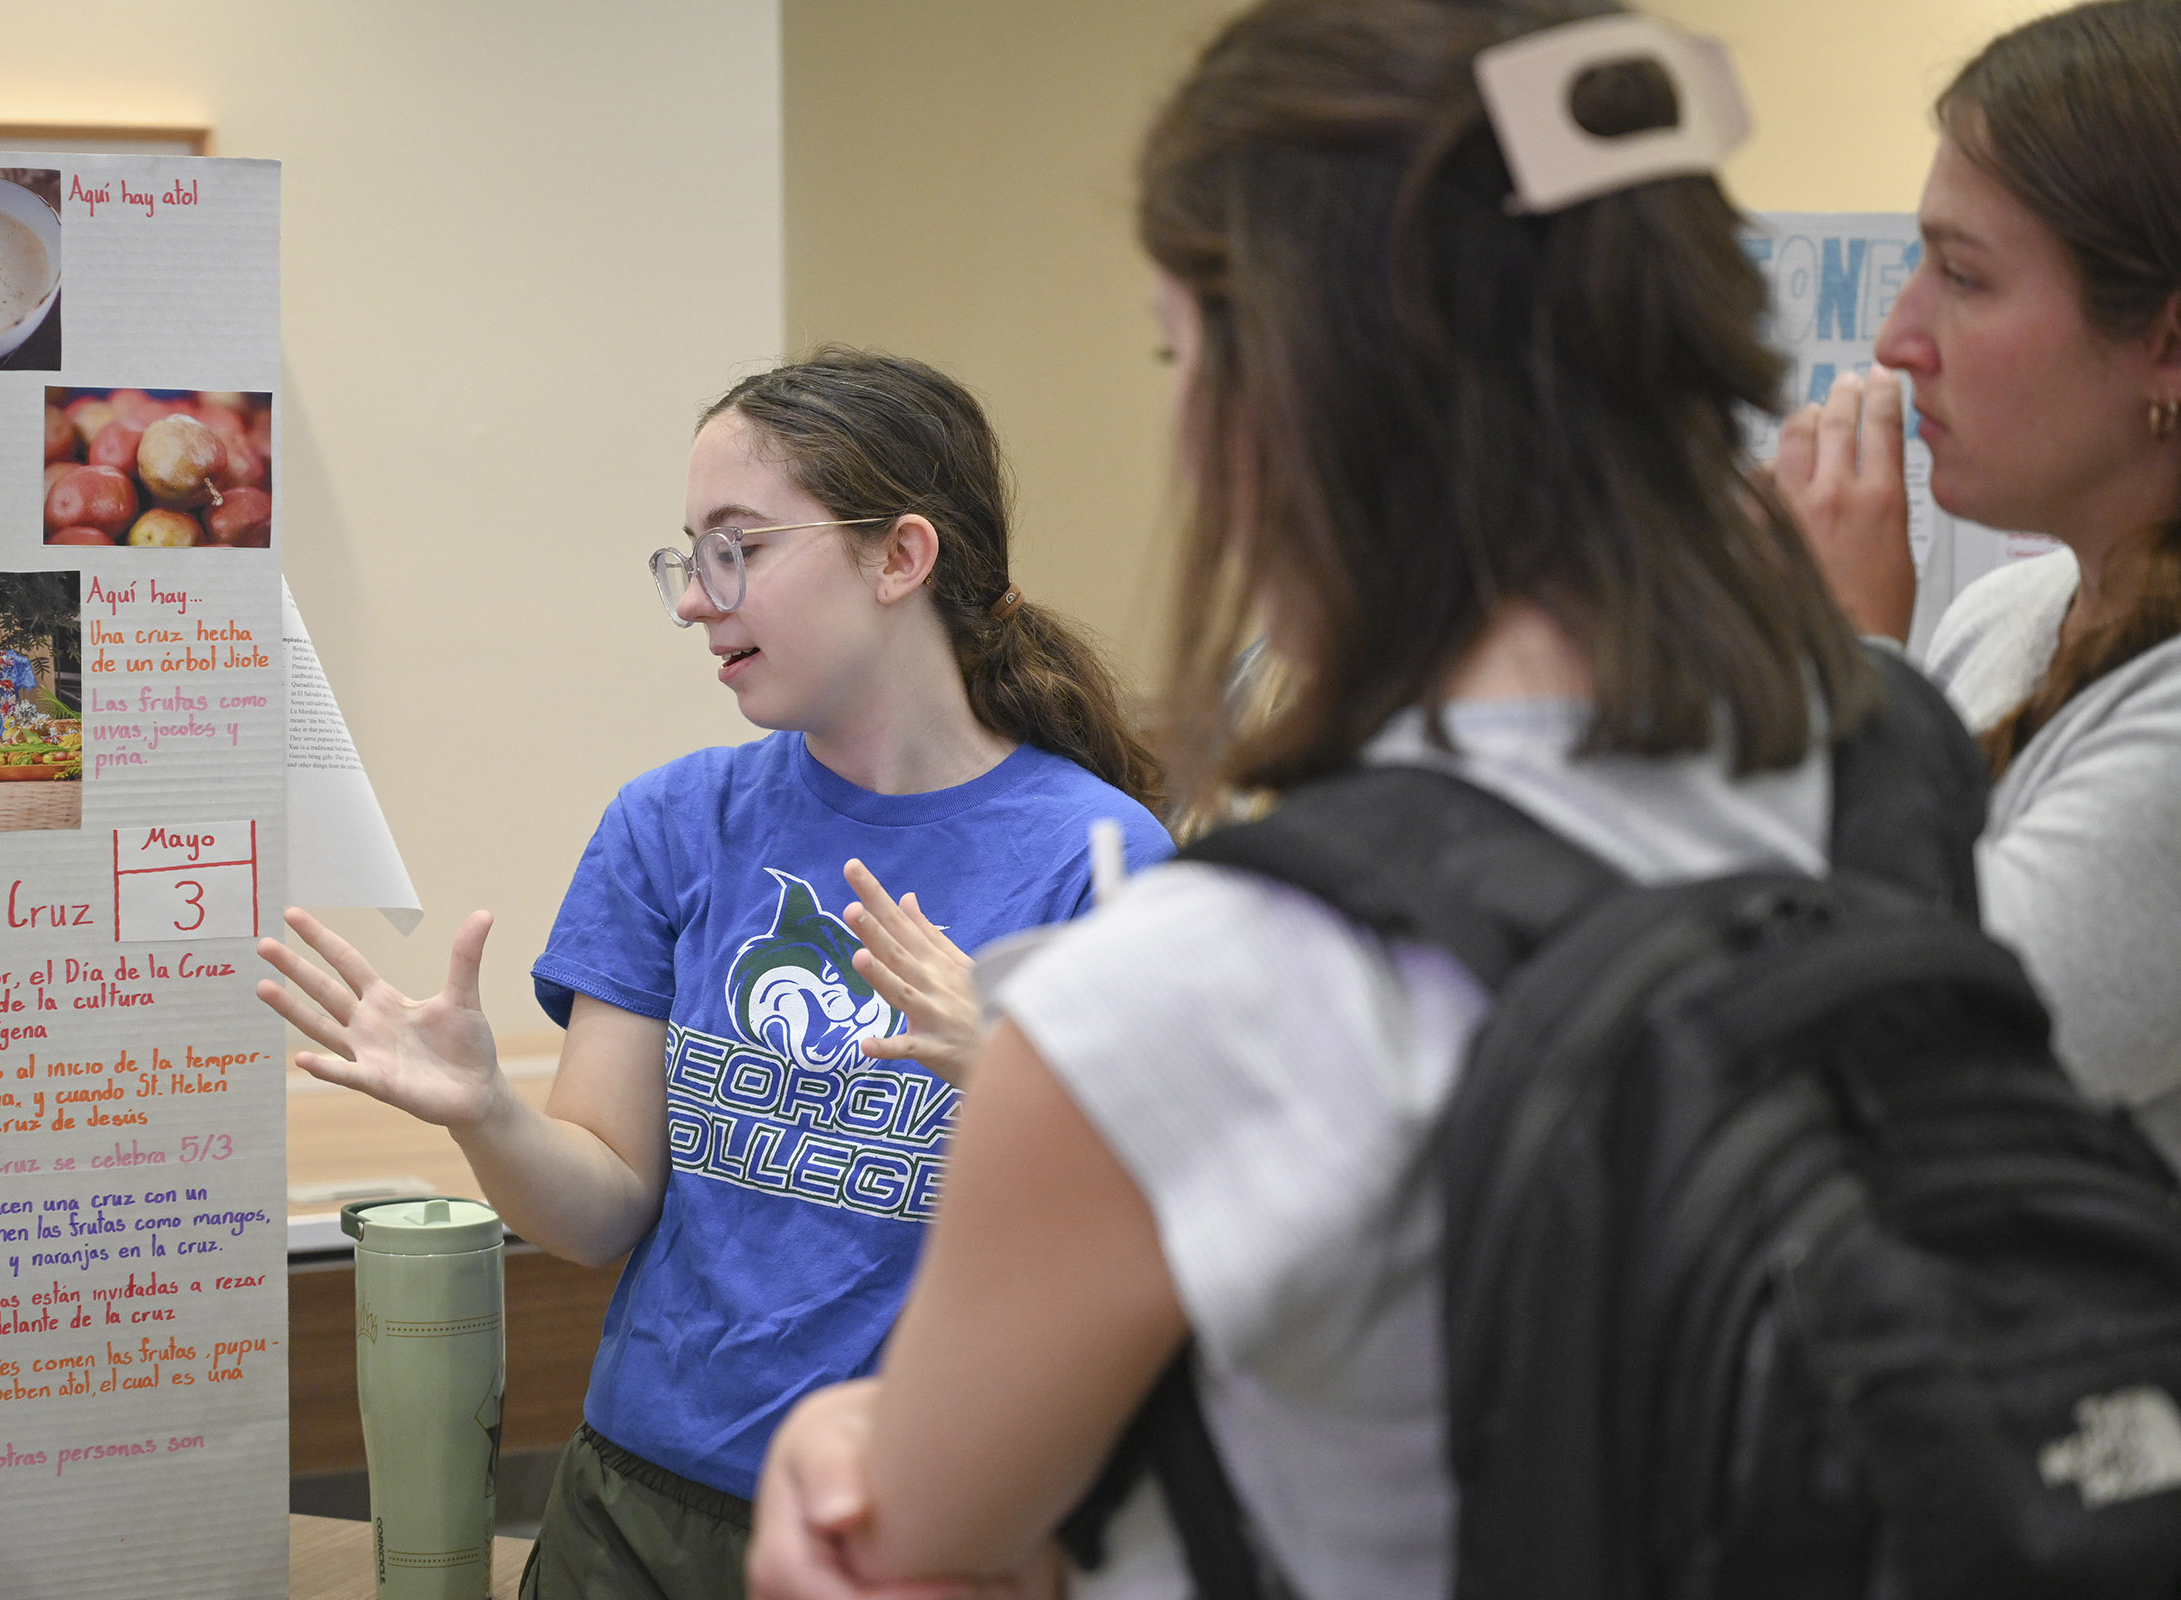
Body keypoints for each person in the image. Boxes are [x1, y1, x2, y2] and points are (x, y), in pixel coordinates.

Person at [743, 2, 1876, 1596]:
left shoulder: (1203, 991)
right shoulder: (1890, 790)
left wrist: (830, 1462)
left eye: (1178, 351)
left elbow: (915, 1554)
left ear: (1290, 389)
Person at [257, 347, 1172, 1600]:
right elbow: (603, 1208)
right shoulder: (673, 824)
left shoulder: (1098, 858)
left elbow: (1152, 1259)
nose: (696, 597)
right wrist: (488, 1113)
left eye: (739, 547)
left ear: (900, 558)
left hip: (907, 1531)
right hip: (635, 1509)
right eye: (689, 554)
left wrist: (1019, 1067)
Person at [1773, 0, 2181, 1164]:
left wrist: (1842, 655)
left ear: (2168, 347)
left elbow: (1899, 1059)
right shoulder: (2006, 617)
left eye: (1963, 275)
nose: (1901, 337)